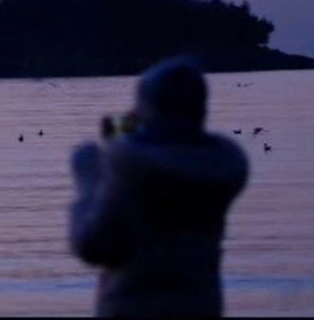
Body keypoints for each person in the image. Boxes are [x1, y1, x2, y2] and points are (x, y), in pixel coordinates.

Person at [69, 56, 249, 317]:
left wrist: (92, 176)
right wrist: (122, 156)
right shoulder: (219, 171)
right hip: (201, 306)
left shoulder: (133, 173)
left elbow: (95, 245)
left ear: (148, 110)